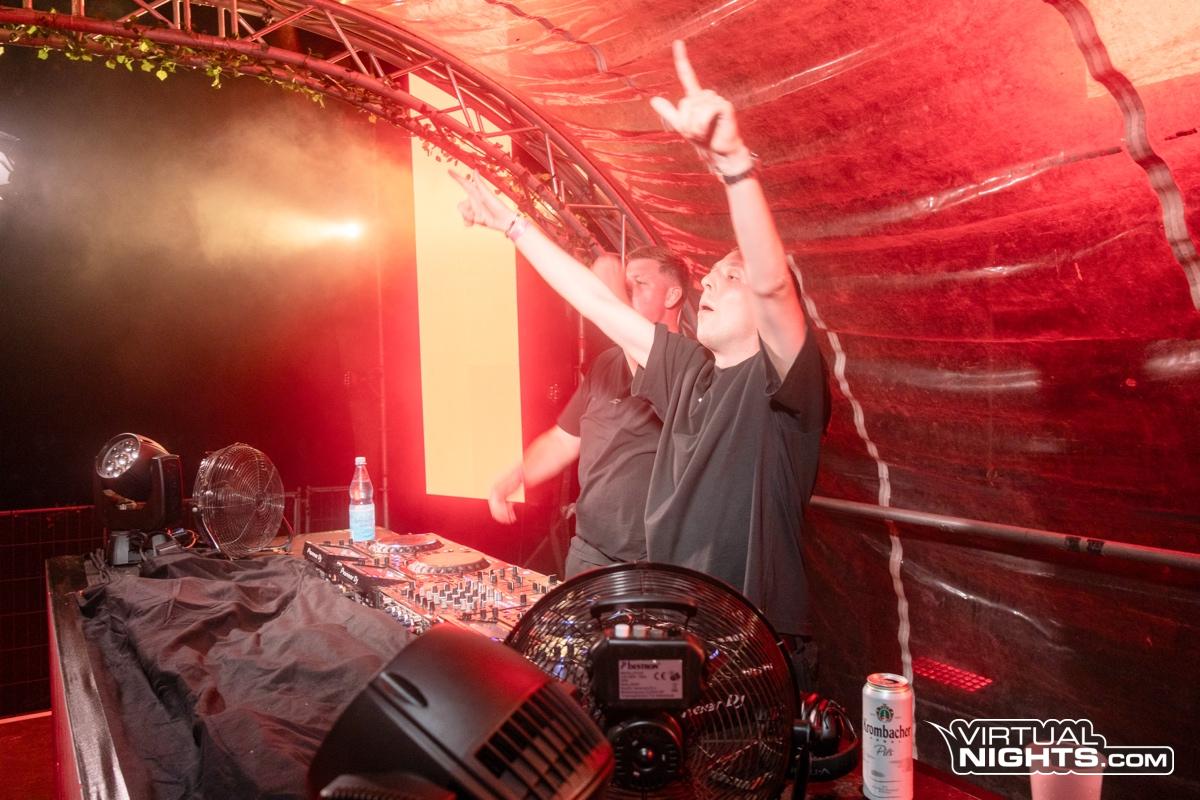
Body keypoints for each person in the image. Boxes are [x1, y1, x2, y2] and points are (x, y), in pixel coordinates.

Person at [452, 40, 828, 686]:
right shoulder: (687, 371)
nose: (709, 283)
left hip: (756, 654)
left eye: (728, 276)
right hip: (678, 634)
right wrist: (513, 225)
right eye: (710, 274)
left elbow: (772, 286)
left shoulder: (784, 387)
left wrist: (733, 164)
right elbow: (599, 302)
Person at [488, 247, 689, 578]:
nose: (627, 290)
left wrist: (611, 292)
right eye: (625, 284)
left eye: (639, 283)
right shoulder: (606, 363)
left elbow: (651, 359)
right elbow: (563, 441)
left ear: (672, 295)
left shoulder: (690, 363)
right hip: (589, 550)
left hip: (652, 559)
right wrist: (514, 477)